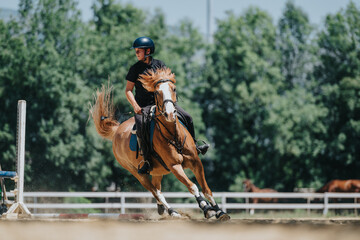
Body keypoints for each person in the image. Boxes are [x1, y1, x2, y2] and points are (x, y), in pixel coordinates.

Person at [125, 36, 209, 174]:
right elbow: (128, 90)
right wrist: (135, 106)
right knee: (141, 126)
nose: (136, 53)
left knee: (188, 117)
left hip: (164, 104)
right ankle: (146, 160)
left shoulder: (159, 65)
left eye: (138, 51)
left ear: (148, 51)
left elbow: (169, 83)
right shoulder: (134, 69)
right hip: (143, 107)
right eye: (136, 51)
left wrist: (169, 99)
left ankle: (195, 146)